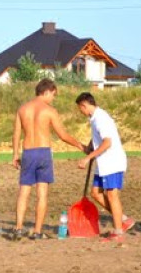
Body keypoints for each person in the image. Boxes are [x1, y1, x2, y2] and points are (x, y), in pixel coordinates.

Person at [11, 78, 86, 240]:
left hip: (28, 152)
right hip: (43, 153)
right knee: (42, 193)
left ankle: (18, 228)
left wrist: (15, 154)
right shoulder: (49, 111)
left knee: (24, 192)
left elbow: (16, 133)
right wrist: (81, 146)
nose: (53, 98)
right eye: (53, 94)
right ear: (46, 92)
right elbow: (63, 135)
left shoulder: (22, 109)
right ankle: (37, 232)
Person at [74, 92, 134, 243]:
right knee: (95, 193)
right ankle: (123, 219)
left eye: (80, 109)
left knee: (112, 195)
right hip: (103, 163)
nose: (80, 112)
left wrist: (88, 157)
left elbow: (107, 142)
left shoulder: (100, 118)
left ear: (84, 105)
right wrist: (89, 146)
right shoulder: (94, 118)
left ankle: (119, 231)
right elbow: (98, 136)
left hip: (112, 162)